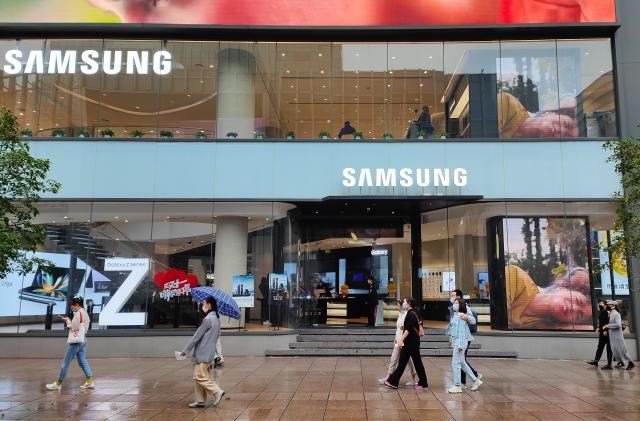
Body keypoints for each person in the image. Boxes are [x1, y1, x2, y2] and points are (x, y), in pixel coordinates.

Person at [505, 265, 591, 328]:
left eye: (578, 315)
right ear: (562, 287)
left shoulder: (542, 327)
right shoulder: (516, 277)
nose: (573, 309)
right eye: (577, 300)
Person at [179, 296, 226, 408]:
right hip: (209, 353)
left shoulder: (208, 320)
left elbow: (196, 337)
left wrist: (185, 351)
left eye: (204, 303)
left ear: (209, 305)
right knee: (202, 376)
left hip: (203, 353)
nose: (202, 305)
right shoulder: (216, 319)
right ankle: (200, 401)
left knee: (198, 376)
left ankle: (216, 391)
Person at [46, 297, 95, 391]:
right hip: (83, 339)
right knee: (82, 361)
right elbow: (84, 327)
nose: (71, 307)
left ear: (76, 305)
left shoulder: (78, 314)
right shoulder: (84, 313)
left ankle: (58, 383)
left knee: (66, 363)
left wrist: (68, 321)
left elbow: (73, 328)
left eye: (71, 305)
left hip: (76, 342)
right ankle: (90, 381)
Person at [384, 297, 429, 390]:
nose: (403, 304)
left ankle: (422, 382)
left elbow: (408, 329)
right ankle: (393, 381)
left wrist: (401, 339)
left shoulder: (410, 314)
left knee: (413, 363)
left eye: (404, 302)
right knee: (406, 362)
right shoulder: (415, 312)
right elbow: (413, 326)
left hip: (410, 342)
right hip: (412, 341)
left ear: (408, 304)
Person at [446, 297, 482, 393]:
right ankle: (475, 380)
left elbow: (462, 332)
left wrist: (460, 346)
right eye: (454, 303)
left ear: (461, 305)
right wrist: (451, 339)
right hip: (457, 342)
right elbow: (455, 330)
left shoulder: (461, 315)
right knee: (462, 362)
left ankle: (457, 385)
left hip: (460, 343)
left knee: (455, 363)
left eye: (457, 303)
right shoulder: (456, 315)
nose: (454, 304)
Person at [378, 300, 417, 386]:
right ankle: (388, 377)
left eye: (398, 305)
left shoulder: (408, 315)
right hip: (398, 340)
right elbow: (397, 329)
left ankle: (414, 378)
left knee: (409, 361)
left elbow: (408, 329)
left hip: (404, 341)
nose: (397, 307)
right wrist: (395, 339)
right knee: (393, 359)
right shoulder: (400, 315)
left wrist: (402, 335)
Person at [603, 301, 635, 370]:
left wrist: (607, 325)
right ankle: (621, 362)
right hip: (612, 336)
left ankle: (631, 363)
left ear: (614, 306)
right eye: (607, 305)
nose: (607, 306)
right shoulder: (610, 314)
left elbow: (618, 324)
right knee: (615, 350)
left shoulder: (616, 314)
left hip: (617, 336)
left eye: (609, 305)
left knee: (622, 350)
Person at [587, 300, 612, 369]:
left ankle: (609, 364)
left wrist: (605, 330)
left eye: (601, 303)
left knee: (608, 348)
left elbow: (607, 322)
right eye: (599, 303)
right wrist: (599, 328)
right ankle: (596, 361)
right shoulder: (602, 312)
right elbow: (602, 322)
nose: (599, 305)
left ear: (605, 305)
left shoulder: (606, 312)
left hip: (606, 333)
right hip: (602, 332)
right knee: (600, 347)